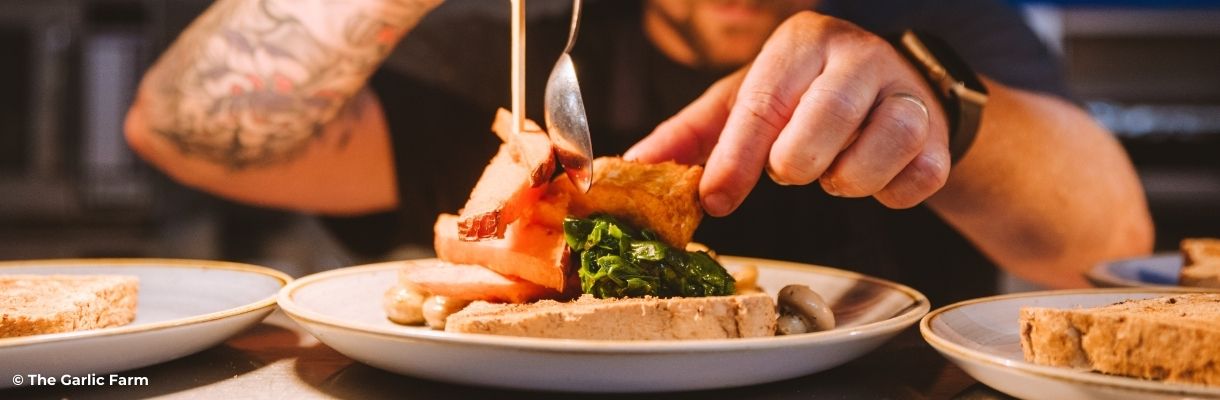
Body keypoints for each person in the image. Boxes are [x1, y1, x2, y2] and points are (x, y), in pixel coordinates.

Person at [124, 0, 1153, 304]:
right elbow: (177, 129)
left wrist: (935, 106)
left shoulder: (925, 20)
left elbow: (1111, 244)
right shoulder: (523, 38)